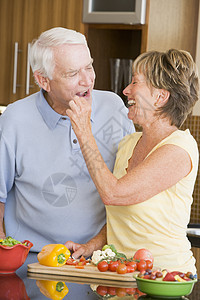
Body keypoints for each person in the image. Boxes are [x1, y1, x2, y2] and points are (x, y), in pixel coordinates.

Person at [0, 27, 134, 255]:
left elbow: (128, 191)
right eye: (73, 73)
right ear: (44, 80)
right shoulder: (15, 119)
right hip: (32, 258)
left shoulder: (113, 108)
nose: (87, 80)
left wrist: (95, 246)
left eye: (89, 67)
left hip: (99, 258)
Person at [66, 49, 199, 273]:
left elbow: (115, 194)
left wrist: (84, 132)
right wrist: (92, 246)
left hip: (165, 278)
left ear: (160, 97)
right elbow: (126, 219)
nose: (126, 90)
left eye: (135, 82)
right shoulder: (128, 144)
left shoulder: (179, 149)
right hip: (121, 275)